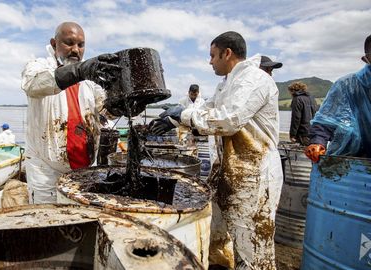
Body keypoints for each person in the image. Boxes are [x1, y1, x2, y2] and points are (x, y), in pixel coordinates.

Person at [150, 31, 283, 269]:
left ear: (227, 53)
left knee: (253, 248)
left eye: (212, 56)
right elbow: (207, 110)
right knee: (217, 238)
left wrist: (184, 115)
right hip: (227, 173)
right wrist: (174, 120)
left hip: (254, 178)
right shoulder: (227, 84)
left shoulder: (254, 79)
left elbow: (229, 118)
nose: (210, 61)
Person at [21, 22, 121, 203]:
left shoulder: (90, 81)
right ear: (54, 44)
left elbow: (105, 111)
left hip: (86, 168)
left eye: (81, 45)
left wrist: (119, 105)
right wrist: (80, 71)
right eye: (69, 43)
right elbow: (33, 85)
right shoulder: (39, 67)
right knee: (48, 222)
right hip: (46, 172)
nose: (76, 50)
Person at [305, 34, 371, 162]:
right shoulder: (347, 85)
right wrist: (317, 142)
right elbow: (325, 122)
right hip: (353, 161)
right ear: (367, 59)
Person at [288, 82, 318, 146]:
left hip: (303, 132)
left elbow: (296, 118)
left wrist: (292, 135)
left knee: (302, 153)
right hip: (314, 131)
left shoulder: (297, 99)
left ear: (293, 90)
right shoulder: (312, 98)